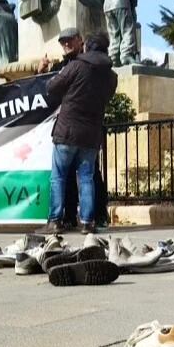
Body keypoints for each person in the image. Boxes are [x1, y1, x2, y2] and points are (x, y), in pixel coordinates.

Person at [37, 32, 117, 235]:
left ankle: (55, 220)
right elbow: (105, 97)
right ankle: (88, 222)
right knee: (87, 178)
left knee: (59, 177)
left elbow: (52, 87)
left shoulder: (76, 66)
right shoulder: (111, 76)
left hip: (67, 131)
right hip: (91, 134)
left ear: (87, 47)